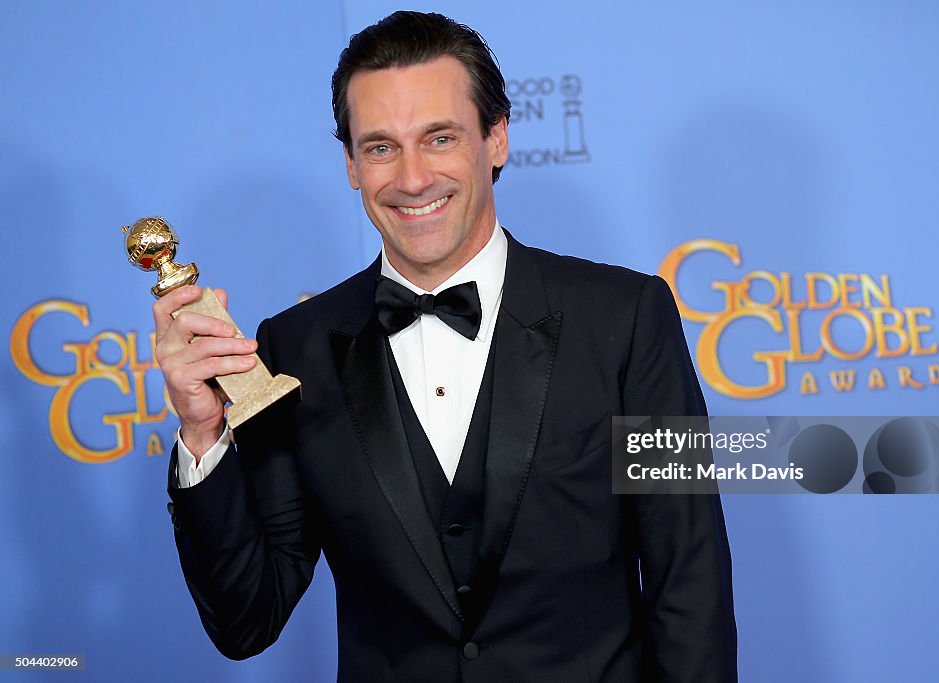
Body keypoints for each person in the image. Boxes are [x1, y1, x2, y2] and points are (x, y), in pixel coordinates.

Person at [155, 10, 737, 683]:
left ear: (496, 139)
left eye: (439, 137)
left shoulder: (630, 317)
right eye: (380, 146)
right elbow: (245, 620)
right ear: (349, 163)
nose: (411, 177)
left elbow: (689, 576)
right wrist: (202, 434)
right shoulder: (294, 348)